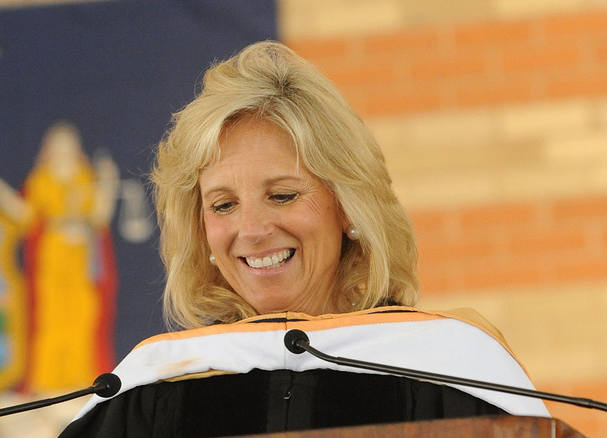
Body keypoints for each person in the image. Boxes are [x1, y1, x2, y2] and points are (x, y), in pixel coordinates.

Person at [59, 41, 549, 437]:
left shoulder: (451, 372)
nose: (251, 231)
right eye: (223, 205)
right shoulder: (148, 393)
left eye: (283, 195)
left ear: (347, 208)